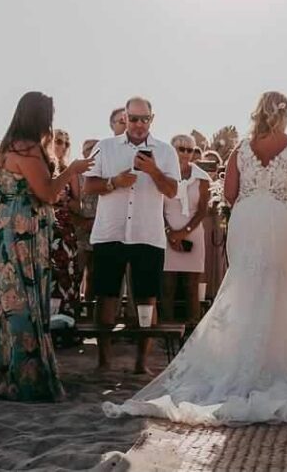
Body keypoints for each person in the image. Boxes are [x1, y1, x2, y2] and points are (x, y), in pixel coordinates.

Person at [104, 91, 287, 425]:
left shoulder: (242, 148)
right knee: (279, 287)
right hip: (283, 221)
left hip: (248, 220)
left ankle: (238, 361)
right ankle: (272, 365)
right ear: (285, 114)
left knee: (243, 287)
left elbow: (229, 194)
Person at [0, 92, 95, 401]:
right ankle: (26, 377)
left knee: (5, 299)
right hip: (22, 230)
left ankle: (5, 374)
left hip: (1, 224)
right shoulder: (28, 150)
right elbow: (46, 193)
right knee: (23, 302)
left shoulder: (6, 146)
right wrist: (71, 171)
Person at [83, 97, 180, 373]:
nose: (138, 124)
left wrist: (153, 170)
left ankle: (141, 364)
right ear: (124, 117)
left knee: (147, 300)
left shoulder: (165, 151)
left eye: (144, 119)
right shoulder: (106, 147)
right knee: (106, 297)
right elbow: (89, 185)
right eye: (133, 118)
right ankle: (103, 362)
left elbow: (172, 191)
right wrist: (114, 182)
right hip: (110, 232)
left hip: (147, 235)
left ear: (152, 119)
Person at [161, 135, 211, 323]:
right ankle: (166, 336)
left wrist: (182, 233)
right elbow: (157, 207)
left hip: (193, 233)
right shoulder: (163, 175)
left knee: (191, 286)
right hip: (166, 232)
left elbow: (202, 211)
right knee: (167, 286)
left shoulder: (202, 178)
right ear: (171, 150)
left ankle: (192, 334)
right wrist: (169, 233)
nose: (185, 153)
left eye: (189, 149)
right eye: (180, 149)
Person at [49, 129, 82, 318]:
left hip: (64, 230)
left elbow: (79, 204)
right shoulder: (41, 167)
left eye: (65, 143)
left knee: (64, 275)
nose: (61, 146)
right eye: (58, 141)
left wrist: (66, 201)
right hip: (43, 226)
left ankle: (65, 320)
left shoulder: (70, 171)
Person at [199, 150, 228, 300]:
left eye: (213, 165)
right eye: (206, 164)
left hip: (218, 226)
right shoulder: (198, 181)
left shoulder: (222, 184)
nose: (210, 169)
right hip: (203, 225)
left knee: (218, 261)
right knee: (204, 261)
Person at [75, 138, 100, 301]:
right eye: (88, 149)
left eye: (95, 148)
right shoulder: (76, 174)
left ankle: (90, 312)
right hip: (79, 231)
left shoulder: (105, 173)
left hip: (100, 230)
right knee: (76, 272)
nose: (91, 151)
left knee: (94, 275)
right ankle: (73, 311)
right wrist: (82, 222)